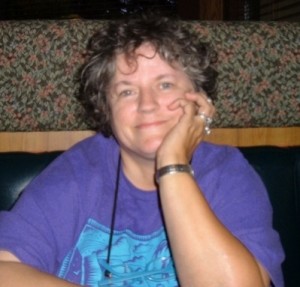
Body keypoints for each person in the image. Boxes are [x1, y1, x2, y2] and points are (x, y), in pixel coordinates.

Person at [0, 13, 284, 287]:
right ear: (105, 109)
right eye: (127, 91)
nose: (147, 104)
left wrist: (172, 164)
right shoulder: (78, 171)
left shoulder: (227, 173)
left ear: (199, 98)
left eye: (165, 84)